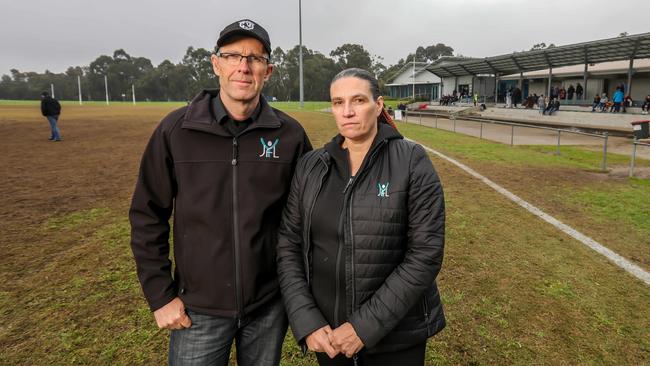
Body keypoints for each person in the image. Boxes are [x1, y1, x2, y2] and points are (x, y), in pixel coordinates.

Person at [129, 19, 312, 366]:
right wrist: (159, 295)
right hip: (197, 309)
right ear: (216, 64)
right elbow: (147, 214)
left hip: (268, 308)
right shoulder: (176, 130)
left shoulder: (290, 136)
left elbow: (308, 216)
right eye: (232, 56)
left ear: (268, 70)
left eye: (255, 58)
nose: (243, 67)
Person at [277, 68, 446, 366]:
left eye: (358, 100)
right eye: (338, 102)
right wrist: (307, 319)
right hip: (329, 337)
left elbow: (425, 254)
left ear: (378, 105)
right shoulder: (310, 166)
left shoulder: (411, 161)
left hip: (395, 339)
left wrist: (363, 328)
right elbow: (289, 243)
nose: (348, 112)